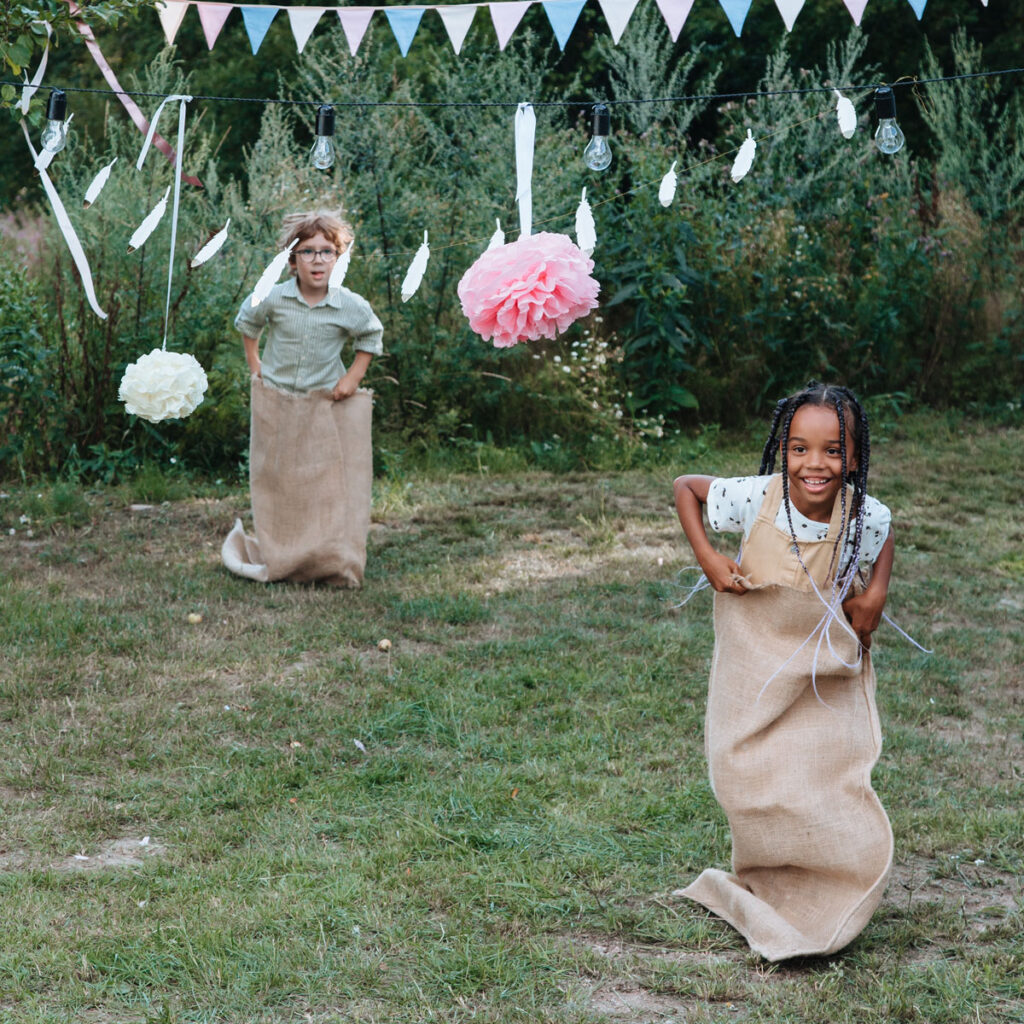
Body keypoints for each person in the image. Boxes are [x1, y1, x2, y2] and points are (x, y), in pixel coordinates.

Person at [672, 380, 895, 961]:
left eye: (831, 450)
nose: (813, 464)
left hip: (817, 664)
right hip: (754, 657)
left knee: (818, 772)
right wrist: (709, 556)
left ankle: (831, 881)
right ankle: (766, 868)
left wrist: (876, 594)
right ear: (783, 450)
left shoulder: (862, 514)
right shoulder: (757, 497)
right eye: (798, 448)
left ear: (855, 457)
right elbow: (685, 489)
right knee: (738, 767)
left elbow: (885, 531)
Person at [221, 209, 383, 587]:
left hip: (323, 404)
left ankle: (324, 556)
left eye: (326, 252)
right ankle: (283, 554)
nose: (317, 260)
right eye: (307, 251)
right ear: (292, 259)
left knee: (321, 481)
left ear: (338, 258)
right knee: (279, 479)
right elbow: (247, 322)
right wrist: (255, 364)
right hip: (277, 402)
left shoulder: (348, 305)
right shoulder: (274, 298)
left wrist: (353, 376)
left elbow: (370, 337)